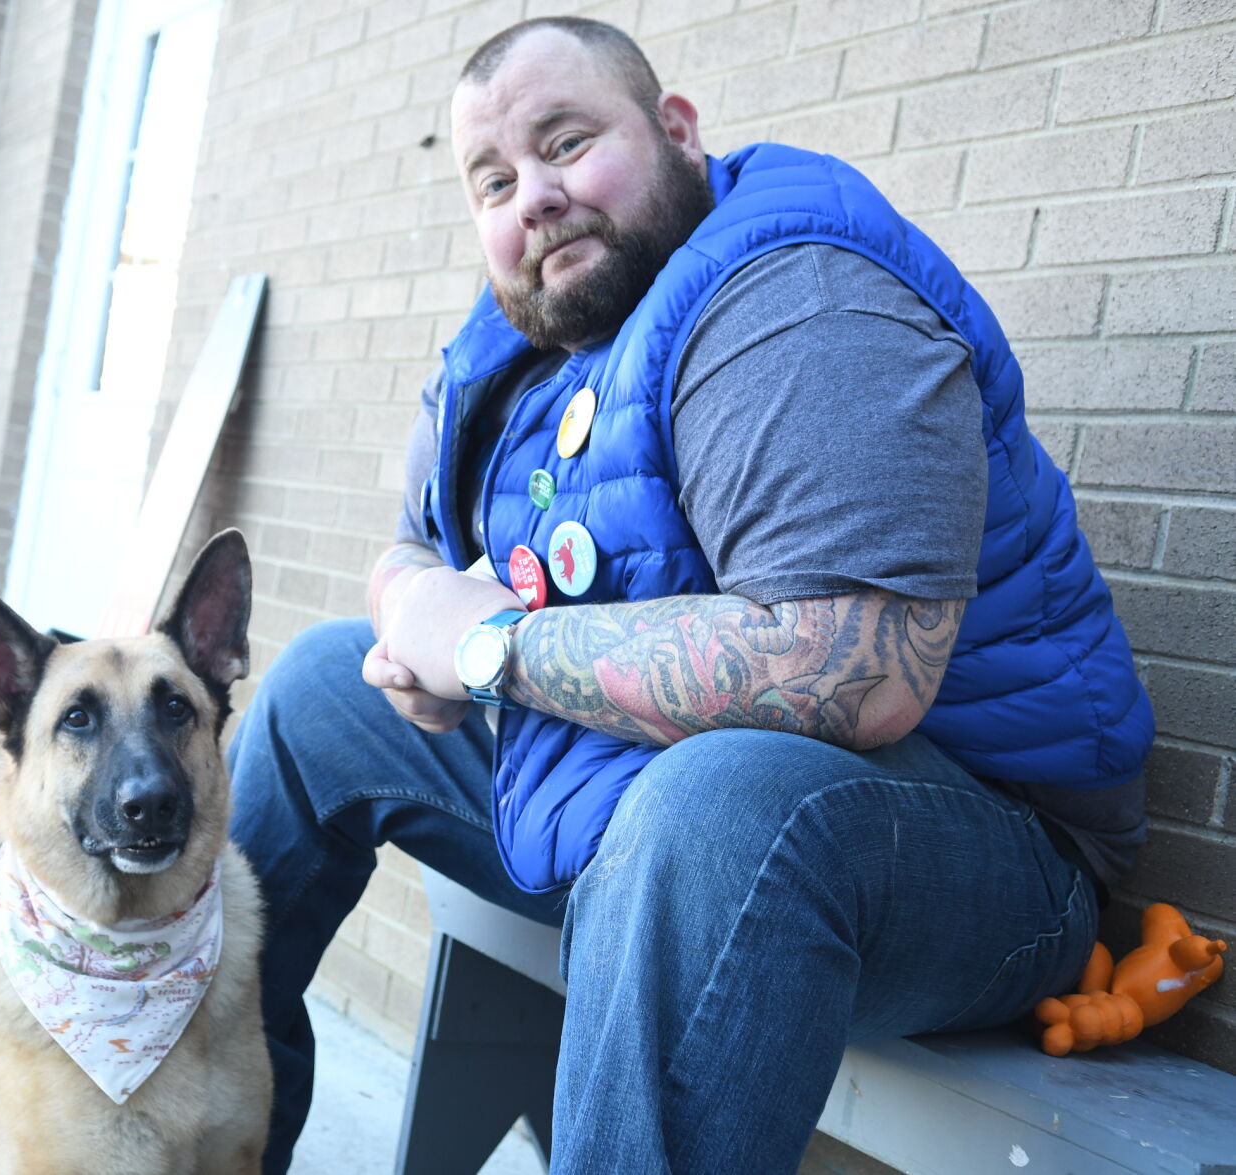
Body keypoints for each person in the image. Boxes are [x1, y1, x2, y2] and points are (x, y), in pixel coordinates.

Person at [227, 16, 1153, 1174]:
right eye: (495, 180)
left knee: (713, 803)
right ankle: (190, 1136)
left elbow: (856, 669)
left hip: (979, 853)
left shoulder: (800, 297)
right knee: (321, 686)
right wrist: (411, 606)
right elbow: (411, 550)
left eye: (566, 142)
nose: (537, 196)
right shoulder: (524, 331)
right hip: (640, 803)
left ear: (674, 130)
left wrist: (493, 653)